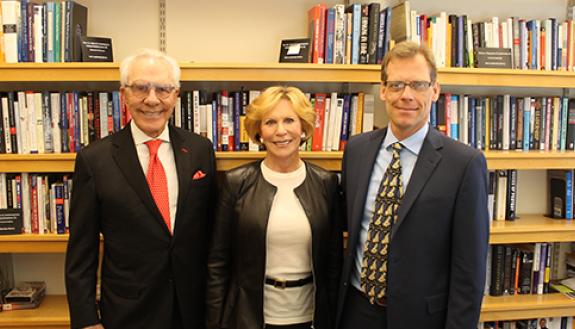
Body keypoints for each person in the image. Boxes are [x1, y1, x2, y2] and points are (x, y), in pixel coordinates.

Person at [336, 41, 489, 329]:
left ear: (435, 90)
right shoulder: (357, 150)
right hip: (355, 311)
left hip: (421, 319)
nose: (406, 95)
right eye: (396, 85)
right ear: (382, 90)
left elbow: (469, 271)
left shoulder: (464, 164)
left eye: (418, 85)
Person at [65, 49, 217, 329]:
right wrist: (86, 320)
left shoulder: (200, 150)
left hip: (193, 309)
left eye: (163, 89)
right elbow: (81, 251)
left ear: (176, 95)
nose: (152, 99)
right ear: (124, 94)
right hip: (128, 311)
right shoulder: (95, 159)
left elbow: (211, 232)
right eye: (140, 88)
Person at [206, 86, 342, 329]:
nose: (281, 131)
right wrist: (215, 322)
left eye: (289, 120)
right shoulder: (235, 182)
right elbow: (218, 263)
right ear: (259, 131)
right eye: (270, 122)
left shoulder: (326, 183)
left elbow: (333, 263)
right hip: (250, 317)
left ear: (303, 128)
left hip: (309, 316)